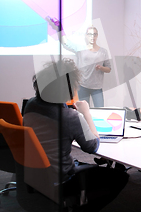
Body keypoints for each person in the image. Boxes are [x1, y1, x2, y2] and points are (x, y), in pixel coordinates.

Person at [23, 58, 128, 211]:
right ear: (68, 88)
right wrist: (86, 113)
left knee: (86, 166)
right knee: (121, 177)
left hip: (35, 174)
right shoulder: (70, 117)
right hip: (61, 180)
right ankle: (76, 206)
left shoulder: (31, 104)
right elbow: (92, 146)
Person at [50, 20, 111, 107]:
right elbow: (66, 42)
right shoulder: (80, 48)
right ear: (86, 35)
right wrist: (60, 29)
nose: (92, 36)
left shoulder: (103, 51)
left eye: (94, 34)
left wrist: (101, 68)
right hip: (83, 86)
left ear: (97, 36)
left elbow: (108, 68)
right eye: (90, 34)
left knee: (100, 109)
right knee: (84, 111)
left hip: (97, 88)